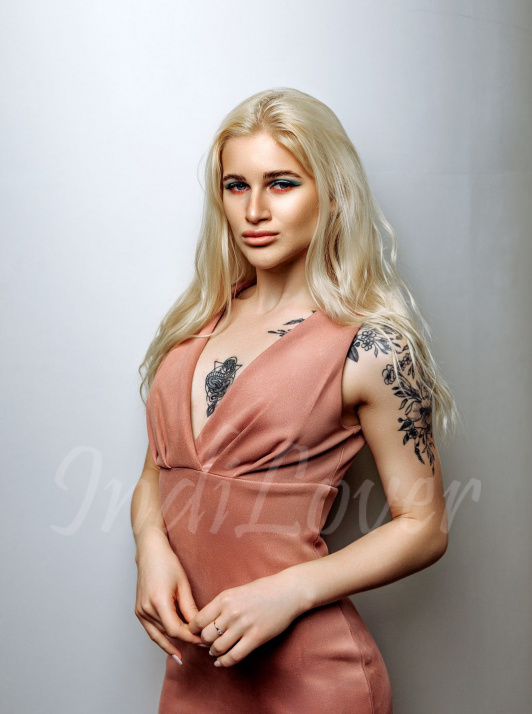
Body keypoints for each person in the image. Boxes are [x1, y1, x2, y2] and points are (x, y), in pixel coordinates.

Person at [131, 87, 459, 713]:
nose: (254, 209)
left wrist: (288, 592)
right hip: (195, 667)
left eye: (281, 184)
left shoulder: (371, 346)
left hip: (311, 678)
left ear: (332, 194)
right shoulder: (195, 324)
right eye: (236, 186)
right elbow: (156, 478)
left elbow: (424, 526)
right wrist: (151, 548)